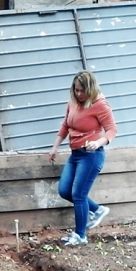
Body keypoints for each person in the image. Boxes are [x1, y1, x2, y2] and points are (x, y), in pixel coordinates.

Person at [49, 70, 118, 246]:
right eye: (76, 90)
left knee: (79, 195)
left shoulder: (99, 104)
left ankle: (80, 235)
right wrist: (55, 147)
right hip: (75, 154)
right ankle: (97, 209)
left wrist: (99, 142)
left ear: (90, 89)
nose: (79, 94)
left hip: (91, 155)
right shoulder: (72, 102)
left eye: (82, 91)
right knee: (65, 191)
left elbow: (112, 130)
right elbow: (65, 125)